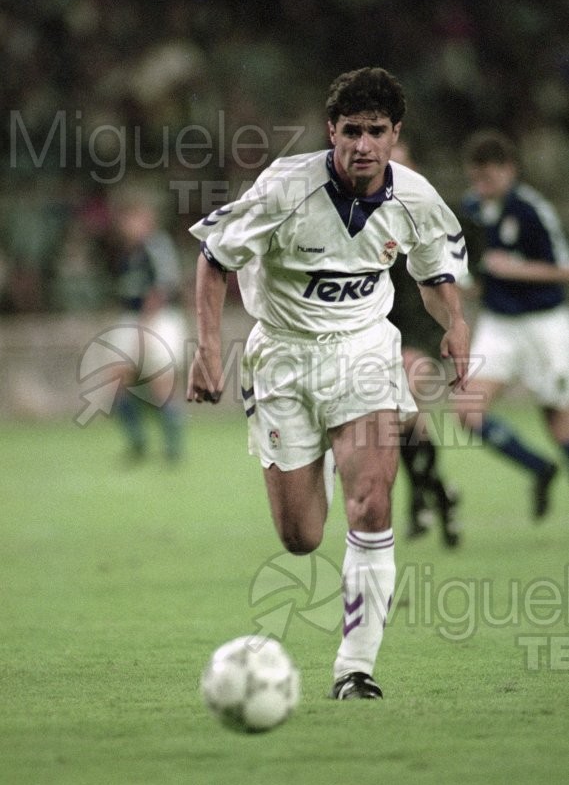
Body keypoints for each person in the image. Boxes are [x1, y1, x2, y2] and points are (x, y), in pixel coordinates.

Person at [187, 67, 470, 700]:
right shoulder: (284, 188)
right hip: (283, 358)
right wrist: (208, 348)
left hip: (365, 351)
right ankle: (325, 473)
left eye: (376, 131)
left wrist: (454, 323)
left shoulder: (417, 199)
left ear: (395, 134)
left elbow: (435, 274)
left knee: (371, 498)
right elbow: (212, 259)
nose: (363, 144)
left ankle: (355, 670)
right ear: (330, 132)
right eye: (351, 131)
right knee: (301, 538)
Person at [456, 130, 569, 518]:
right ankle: (539, 467)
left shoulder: (531, 209)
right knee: (469, 412)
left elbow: (564, 270)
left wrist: (515, 269)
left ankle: (549, 463)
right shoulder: (472, 209)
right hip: (498, 325)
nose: (481, 187)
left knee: (559, 424)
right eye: (476, 179)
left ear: (510, 171)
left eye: (488, 178)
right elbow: (478, 268)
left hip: (543, 325)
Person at [389, 141, 462, 545]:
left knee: (405, 398)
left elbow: (448, 274)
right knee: (401, 421)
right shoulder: (364, 211)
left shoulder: (429, 216)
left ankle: (425, 496)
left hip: (420, 328)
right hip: (381, 327)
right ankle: (436, 494)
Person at [108, 196, 187, 464]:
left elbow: (162, 287)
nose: (128, 225)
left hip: (156, 319)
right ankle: (137, 442)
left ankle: (173, 449)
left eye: (135, 218)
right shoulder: (126, 252)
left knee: (160, 383)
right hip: (131, 318)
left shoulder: (155, 246)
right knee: (118, 381)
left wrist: (145, 325)